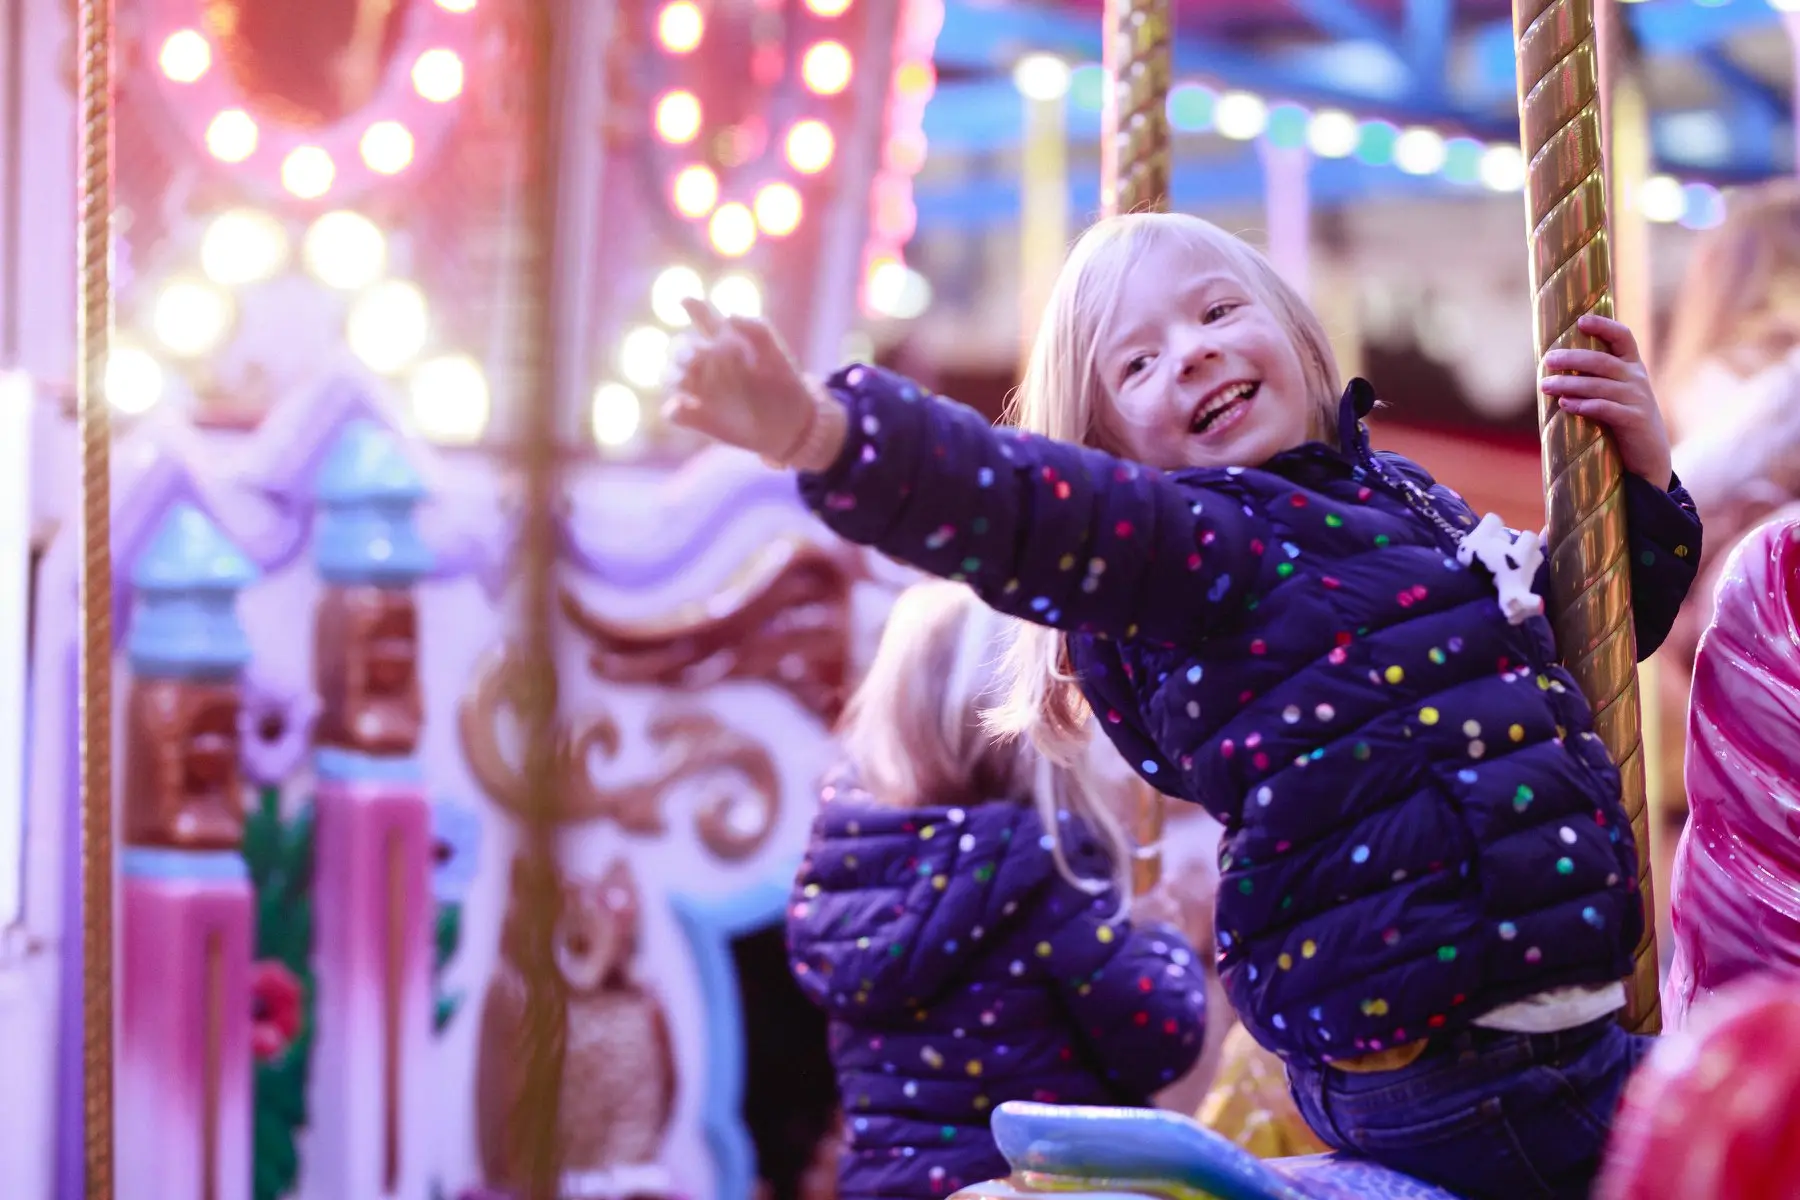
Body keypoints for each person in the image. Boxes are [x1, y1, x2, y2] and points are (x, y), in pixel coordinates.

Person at [671, 211, 1702, 1199]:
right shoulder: (1209, 553)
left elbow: (1575, 646)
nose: (1194, 354)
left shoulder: (1403, 497)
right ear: (1116, 457)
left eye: (1215, 314)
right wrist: (820, 431)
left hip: (1531, 1033)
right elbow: (1014, 503)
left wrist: (1647, 480)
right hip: (1465, 1072)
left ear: (1295, 331)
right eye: (1139, 362)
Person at [785, 580, 1208, 1198]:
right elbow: (1159, 1039)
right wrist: (1163, 935)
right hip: (1031, 1186)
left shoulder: (845, 860)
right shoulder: (1048, 866)